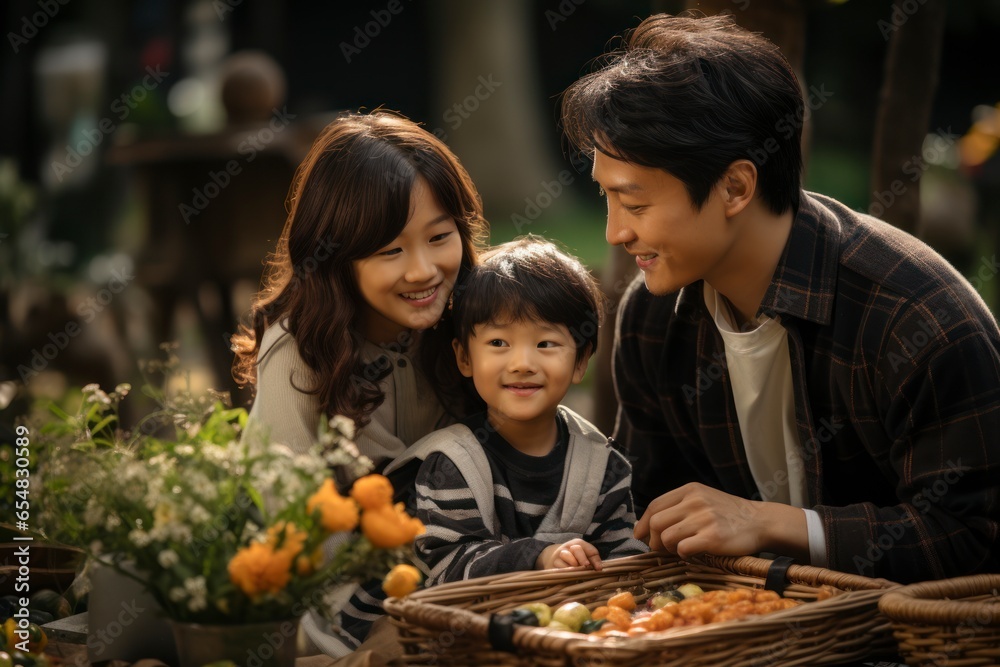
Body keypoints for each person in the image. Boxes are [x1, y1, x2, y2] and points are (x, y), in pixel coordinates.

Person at [560, 12, 1000, 584]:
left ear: (736, 187)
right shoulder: (652, 316)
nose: (615, 232)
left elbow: (974, 537)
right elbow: (648, 512)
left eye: (636, 204)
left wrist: (772, 523)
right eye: (607, 199)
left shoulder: (915, 317)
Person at [231, 109, 487, 654]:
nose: (423, 271)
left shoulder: (473, 321)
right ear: (336, 259)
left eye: (440, 237)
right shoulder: (301, 349)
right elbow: (293, 528)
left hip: (460, 570)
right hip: (331, 599)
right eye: (390, 251)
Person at [385, 237, 648, 586]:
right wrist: (538, 557)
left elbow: (623, 563)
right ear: (465, 357)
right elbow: (448, 568)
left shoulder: (602, 466)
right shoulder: (452, 466)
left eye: (545, 344)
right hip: (466, 633)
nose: (522, 364)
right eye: (498, 343)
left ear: (580, 361)